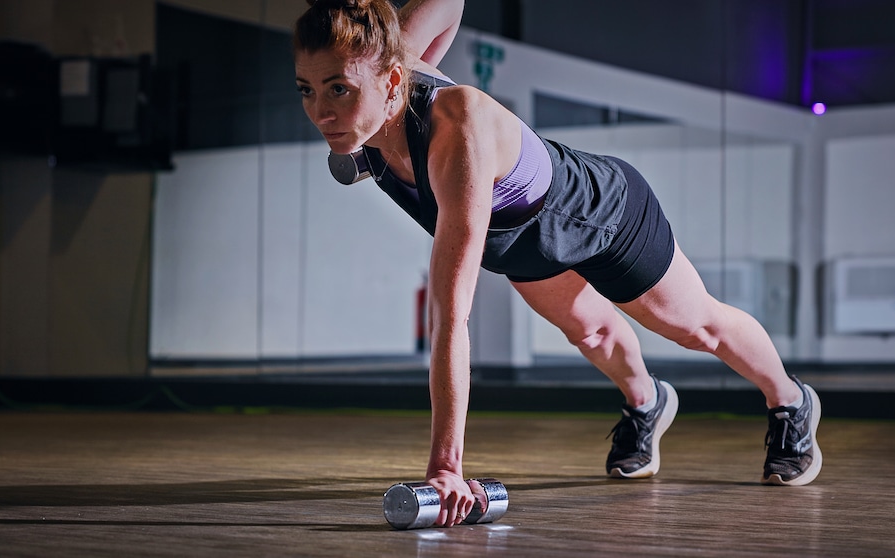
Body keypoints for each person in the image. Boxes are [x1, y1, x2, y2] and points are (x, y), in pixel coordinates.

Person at [293, 0, 822, 527]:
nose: (321, 113)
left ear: (390, 82)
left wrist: (446, 468)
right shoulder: (380, 85)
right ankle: (647, 403)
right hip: (521, 243)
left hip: (602, 212)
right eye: (307, 90)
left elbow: (451, 319)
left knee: (694, 326)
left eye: (339, 88)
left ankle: (791, 401)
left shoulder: (459, 129)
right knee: (592, 335)